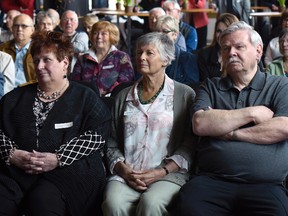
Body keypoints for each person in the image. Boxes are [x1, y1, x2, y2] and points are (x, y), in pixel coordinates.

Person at [179, 21, 288, 215]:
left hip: (266, 186)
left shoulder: (280, 86)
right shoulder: (210, 86)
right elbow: (200, 123)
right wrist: (253, 113)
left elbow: (283, 127)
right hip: (211, 181)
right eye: (226, 48)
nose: (231, 53)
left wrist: (231, 133)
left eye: (239, 47)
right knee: (189, 207)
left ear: (258, 50)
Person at [0, 30, 111, 216]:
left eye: (47, 60)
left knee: (42, 204)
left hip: (68, 172)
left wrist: (59, 158)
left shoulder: (85, 97)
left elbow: (97, 135)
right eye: (36, 61)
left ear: (65, 63)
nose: (39, 66)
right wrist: (11, 154)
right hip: (15, 172)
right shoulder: (15, 98)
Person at [101, 32, 195, 216]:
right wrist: (124, 170)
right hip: (128, 173)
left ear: (166, 60)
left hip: (167, 174)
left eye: (149, 53)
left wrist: (163, 170)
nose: (141, 57)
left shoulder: (185, 94)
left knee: (151, 203)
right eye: (138, 53)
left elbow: (190, 143)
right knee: (113, 203)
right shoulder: (123, 96)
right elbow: (110, 139)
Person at [70, 21, 134, 97]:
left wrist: (109, 95)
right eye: (95, 33)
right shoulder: (83, 58)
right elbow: (75, 83)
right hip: (87, 101)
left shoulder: (121, 57)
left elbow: (125, 83)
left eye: (103, 34)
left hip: (113, 100)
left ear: (111, 36)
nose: (99, 37)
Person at [155, 15, 199, 85]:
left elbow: (193, 88)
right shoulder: (149, 56)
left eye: (164, 31)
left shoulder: (187, 59)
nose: (159, 35)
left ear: (175, 35)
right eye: (157, 32)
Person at [197, 13, 239, 82]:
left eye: (226, 31)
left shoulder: (241, 55)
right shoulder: (204, 55)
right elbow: (204, 84)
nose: (221, 35)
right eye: (218, 31)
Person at [0, 13, 37, 86]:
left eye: (24, 26)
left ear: (32, 30)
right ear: (12, 28)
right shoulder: (2, 48)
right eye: (16, 26)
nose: (19, 29)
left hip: (28, 90)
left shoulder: (39, 49)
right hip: (4, 90)